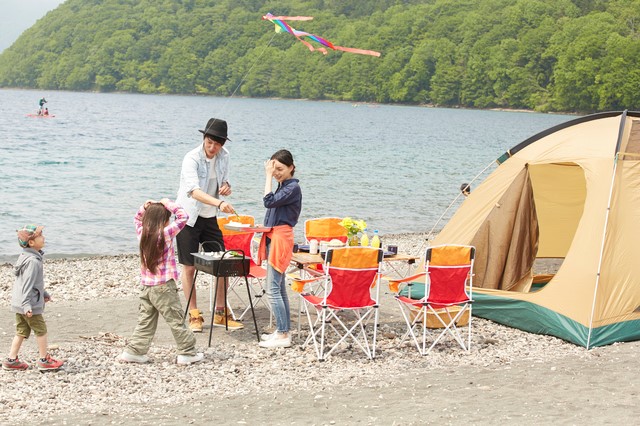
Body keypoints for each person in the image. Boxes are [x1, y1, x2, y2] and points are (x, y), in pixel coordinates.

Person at [118, 199, 203, 365]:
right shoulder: (165, 233)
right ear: (164, 221)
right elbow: (183, 217)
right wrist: (168, 203)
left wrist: (144, 206)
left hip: (146, 287)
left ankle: (134, 351)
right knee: (176, 319)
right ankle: (187, 352)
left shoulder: (142, 232)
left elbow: (136, 219)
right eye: (167, 219)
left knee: (146, 320)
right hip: (164, 287)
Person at [176, 118, 241, 333]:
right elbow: (193, 191)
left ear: (223, 144)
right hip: (188, 217)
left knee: (222, 263)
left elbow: (225, 180)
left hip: (209, 216)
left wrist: (225, 187)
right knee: (189, 267)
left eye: (217, 144)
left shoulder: (225, 156)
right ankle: (194, 315)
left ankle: (220, 313)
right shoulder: (191, 158)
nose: (212, 147)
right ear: (204, 138)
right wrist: (220, 202)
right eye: (209, 142)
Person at [257, 149, 302, 349]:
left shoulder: (291, 188)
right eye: (273, 169)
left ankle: (283, 335)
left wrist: (267, 176)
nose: (276, 172)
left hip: (281, 238)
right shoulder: (284, 186)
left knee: (273, 289)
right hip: (275, 235)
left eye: (279, 168)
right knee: (279, 286)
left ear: (291, 167)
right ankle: (282, 330)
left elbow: (268, 202)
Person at [3, 225, 64, 371]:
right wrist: (27, 305)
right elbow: (28, 284)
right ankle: (44, 360)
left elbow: (32, 283)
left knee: (21, 331)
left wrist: (44, 293)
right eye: (40, 236)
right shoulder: (33, 261)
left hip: (19, 302)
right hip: (28, 304)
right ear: (31, 243)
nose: (44, 238)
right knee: (41, 330)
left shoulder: (24, 256)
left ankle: (11, 360)